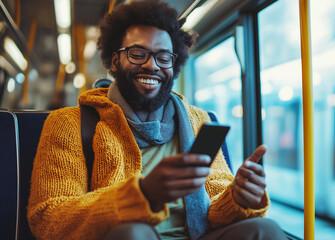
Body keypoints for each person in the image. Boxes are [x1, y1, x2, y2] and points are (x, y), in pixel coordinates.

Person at [27, 0, 286, 239]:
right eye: (138, 54)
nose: (152, 65)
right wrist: (143, 195)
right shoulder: (70, 123)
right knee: (133, 234)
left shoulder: (197, 120)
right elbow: (48, 218)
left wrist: (238, 197)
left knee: (265, 229)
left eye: (164, 57)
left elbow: (215, 206)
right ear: (115, 60)